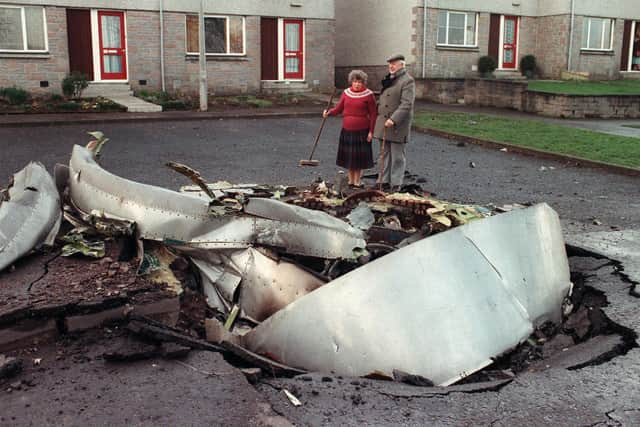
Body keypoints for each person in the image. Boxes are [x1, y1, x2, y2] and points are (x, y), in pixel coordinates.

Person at [323, 70, 377, 188]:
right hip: (347, 130)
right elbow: (338, 109)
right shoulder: (346, 93)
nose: (357, 84)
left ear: (363, 83)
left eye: (359, 82)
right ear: (351, 82)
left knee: (358, 159)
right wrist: (329, 113)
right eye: (355, 81)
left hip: (362, 131)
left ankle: (357, 181)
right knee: (350, 157)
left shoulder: (369, 95)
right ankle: (350, 180)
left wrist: (371, 132)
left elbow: (373, 114)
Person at [373, 53, 415, 192]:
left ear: (402, 65)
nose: (391, 66)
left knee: (397, 156)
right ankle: (383, 181)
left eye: (394, 63)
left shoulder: (407, 81)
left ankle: (395, 184)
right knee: (384, 154)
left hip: (397, 125)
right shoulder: (389, 79)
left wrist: (394, 119)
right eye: (389, 64)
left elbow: (407, 104)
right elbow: (383, 100)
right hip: (383, 123)